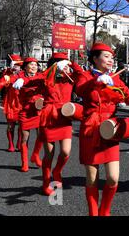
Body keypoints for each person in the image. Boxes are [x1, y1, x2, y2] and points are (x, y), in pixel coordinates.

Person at [75, 43, 129, 216]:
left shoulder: (115, 78)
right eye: (106, 56)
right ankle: (93, 213)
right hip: (91, 129)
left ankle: (105, 209)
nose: (110, 60)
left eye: (112, 57)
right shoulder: (85, 75)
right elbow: (80, 90)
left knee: (113, 178)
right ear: (95, 58)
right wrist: (96, 81)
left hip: (110, 129)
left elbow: (128, 96)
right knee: (92, 178)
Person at [38, 52, 84, 195]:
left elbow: (82, 74)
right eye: (60, 63)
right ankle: (46, 183)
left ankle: (57, 170)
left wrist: (72, 63)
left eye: (65, 63)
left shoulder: (69, 78)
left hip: (65, 116)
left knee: (65, 152)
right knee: (49, 154)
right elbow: (38, 78)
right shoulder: (46, 76)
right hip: (49, 117)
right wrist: (54, 68)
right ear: (53, 64)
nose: (63, 66)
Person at [12, 57, 44, 172]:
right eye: (31, 64)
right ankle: (24, 162)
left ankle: (35, 155)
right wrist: (17, 80)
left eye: (36, 65)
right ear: (25, 67)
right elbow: (10, 80)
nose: (34, 66)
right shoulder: (19, 77)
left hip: (38, 110)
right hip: (25, 112)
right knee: (25, 138)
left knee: (42, 135)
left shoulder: (41, 76)